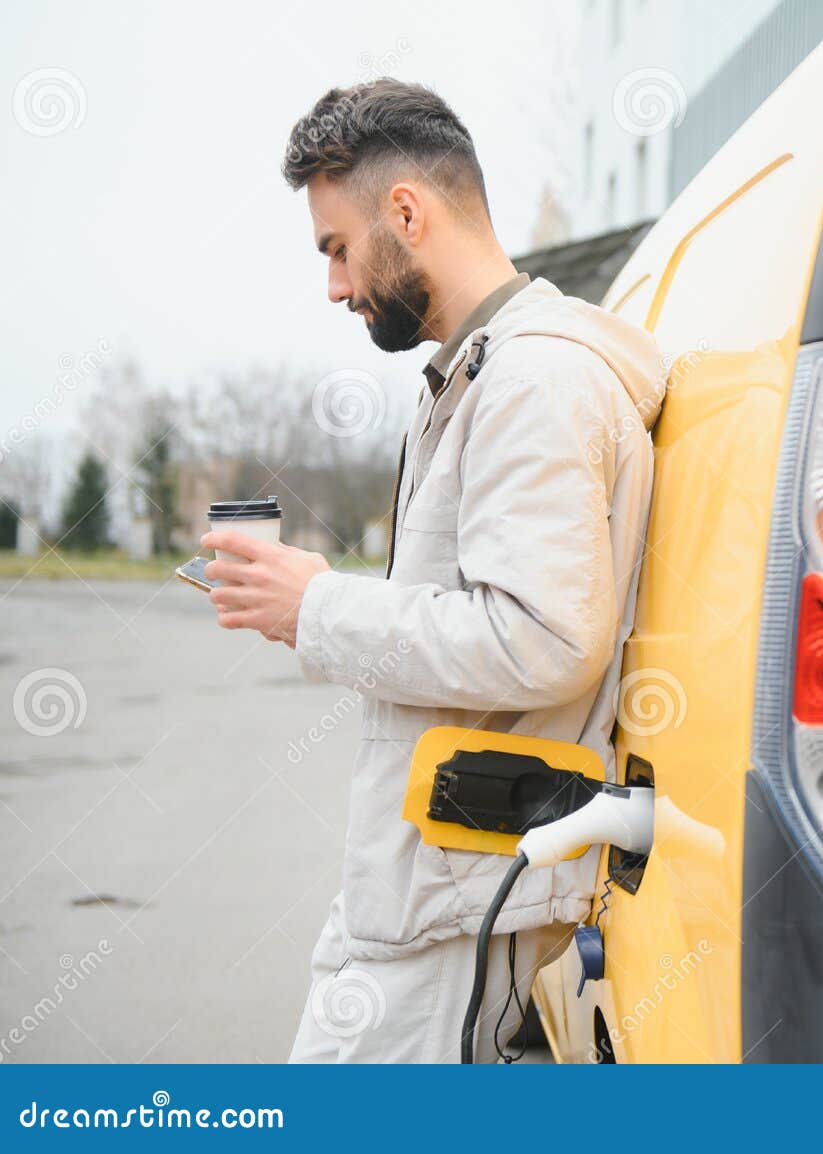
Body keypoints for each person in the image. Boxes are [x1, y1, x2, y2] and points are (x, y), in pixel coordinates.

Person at [200, 79, 664, 1062]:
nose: (334, 284)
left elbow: (543, 638)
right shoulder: (482, 373)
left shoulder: (535, 381)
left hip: (463, 911)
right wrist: (316, 595)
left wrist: (318, 607)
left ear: (406, 211)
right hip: (432, 890)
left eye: (336, 246)